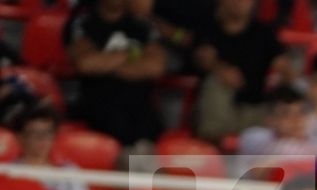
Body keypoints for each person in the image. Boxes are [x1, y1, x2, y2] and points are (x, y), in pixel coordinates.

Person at [64, 0, 168, 150]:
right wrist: (130, 55)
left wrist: (106, 62)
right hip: (96, 109)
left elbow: (155, 67)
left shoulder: (142, 25)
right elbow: (85, 64)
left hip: (140, 113)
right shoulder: (83, 22)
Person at [190, 0, 286, 141]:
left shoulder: (264, 33)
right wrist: (219, 68)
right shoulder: (207, 28)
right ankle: (213, 147)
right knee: (216, 82)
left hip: (256, 113)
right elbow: (202, 57)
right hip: (218, 114)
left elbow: (284, 68)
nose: (239, 2)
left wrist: (284, 75)